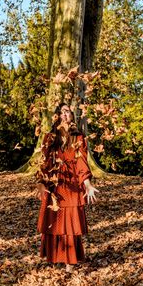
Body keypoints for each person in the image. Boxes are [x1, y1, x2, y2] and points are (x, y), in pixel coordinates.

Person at [36, 103, 99, 272]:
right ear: (57, 117)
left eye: (68, 112)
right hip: (54, 184)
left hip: (72, 184)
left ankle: (70, 261)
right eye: (62, 112)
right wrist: (42, 183)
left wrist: (87, 184)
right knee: (54, 222)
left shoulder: (79, 137)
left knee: (70, 223)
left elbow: (81, 162)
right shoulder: (49, 137)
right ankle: (55, 258)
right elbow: (44, 163)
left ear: (72, 116)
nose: (66, 114)